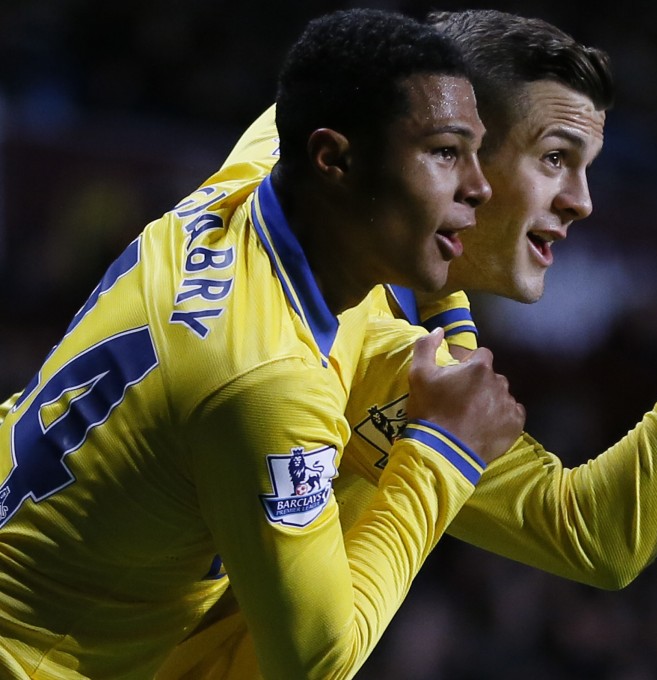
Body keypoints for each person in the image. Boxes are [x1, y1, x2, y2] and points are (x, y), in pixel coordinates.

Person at [155, 8, 657, 679]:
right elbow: (591, 539)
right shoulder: (352, 366)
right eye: (554, 158)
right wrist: (444, 449)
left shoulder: (280, 157)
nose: (582, 200)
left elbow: (595, 536)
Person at [0, 9, 526, 679]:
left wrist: (448, 300)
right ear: (335, 159)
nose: (478, 186)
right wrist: (444, 453)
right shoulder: (267, 380)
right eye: (446, 153)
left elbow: (315, 88)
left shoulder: (253, 181)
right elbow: (314, 660)